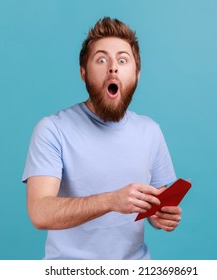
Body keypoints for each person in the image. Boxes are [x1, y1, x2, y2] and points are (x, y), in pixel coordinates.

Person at [22, 17, 182, 260]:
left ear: (137, 74)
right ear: (83, 73)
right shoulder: (53, 129)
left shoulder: (150, 131)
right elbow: (39, 213)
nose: (113, 67)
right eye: (101, 59)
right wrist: (111, 200)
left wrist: (160, 217)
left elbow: (154, 208)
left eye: (122, 60)